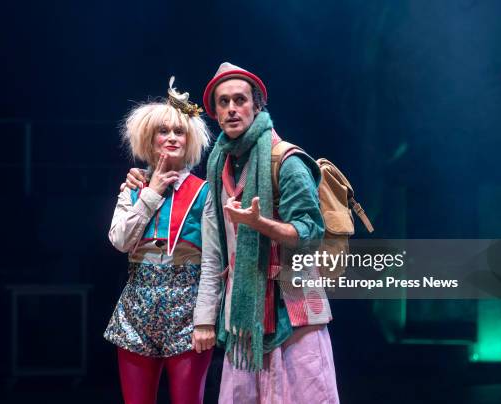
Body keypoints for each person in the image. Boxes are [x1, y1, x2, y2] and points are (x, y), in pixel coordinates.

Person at [126, 63, 340, 403]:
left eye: (239, 100)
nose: (231, 109)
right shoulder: (220, 164)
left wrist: (261, 224)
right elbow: (212, 252)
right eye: (223, 102)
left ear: (256, 105)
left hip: (294, 314)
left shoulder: (285, 160)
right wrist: (140, 178)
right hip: (244, 318)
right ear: (215, 112)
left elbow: (311, 232)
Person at [104, 77, 221, 404]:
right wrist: (151, 193)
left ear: (190, 139)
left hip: (188, 311)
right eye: (163, 131)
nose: (171, 137)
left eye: (178, 131)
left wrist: (205, 321)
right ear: (150, 138)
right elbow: (120, 241)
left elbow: (214, 261)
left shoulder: (205, 192)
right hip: (136, 309)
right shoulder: (133, 187)